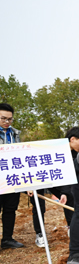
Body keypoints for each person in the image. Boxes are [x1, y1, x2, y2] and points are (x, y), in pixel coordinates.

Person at [30, 126, 79, 247]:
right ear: (72, 139)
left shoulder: (74, 155)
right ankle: (40, 234)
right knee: (39, 206)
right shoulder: (52, 149)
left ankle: (72, 228)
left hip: (54, 178)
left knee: (71, 197)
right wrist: (29, 185)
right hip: (38, 177)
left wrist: (64, 193)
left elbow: (67, 175)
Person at [0, 103, 24, 249]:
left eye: (10, 119)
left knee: (10, 209)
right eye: (3, 118)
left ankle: (7, 238)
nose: (7, 122)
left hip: (11, 178)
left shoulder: (15, 134)